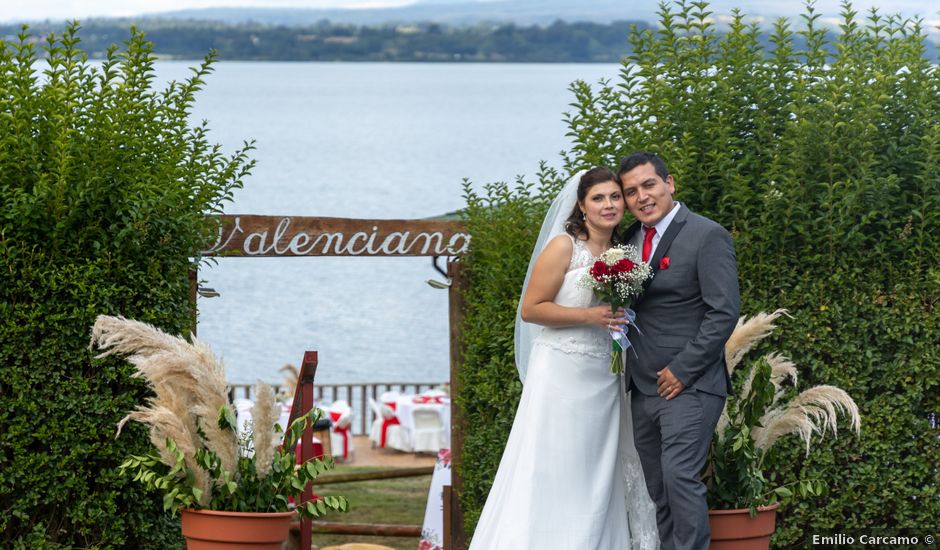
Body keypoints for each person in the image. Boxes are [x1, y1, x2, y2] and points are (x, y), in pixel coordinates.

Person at [468, 167, 657, 550]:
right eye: (599, 198)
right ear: (582, 206)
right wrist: (588, 316)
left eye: (615, 197)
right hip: (561, 373)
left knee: (600, 470)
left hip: (605, 376)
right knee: (556, 464)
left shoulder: (625, 252)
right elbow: (531, 309)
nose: (609, 205)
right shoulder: (565, 247)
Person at [618, 152, 740, 550]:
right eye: (631, 191)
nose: (642, 197)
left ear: (671, 184)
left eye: (649, 185)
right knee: (659, 488)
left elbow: (723, 313)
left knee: (679, 479)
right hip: (641, 385)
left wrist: (683, 369)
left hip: (689, 385)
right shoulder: (627, 242)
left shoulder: (707, 235)